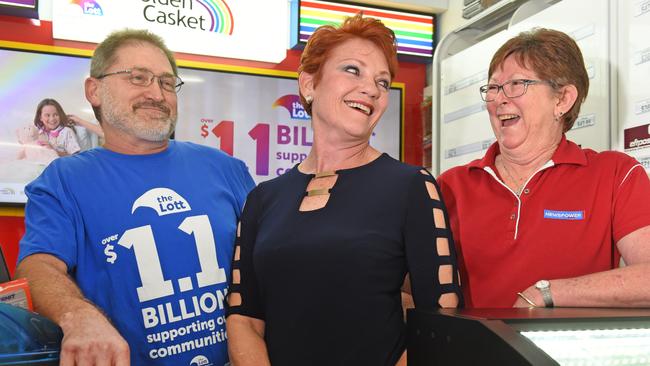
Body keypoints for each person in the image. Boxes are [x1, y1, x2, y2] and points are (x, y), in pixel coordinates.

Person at [226, 13, 462, 366]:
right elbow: (243, 318)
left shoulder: (411, 186)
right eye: (353, 70)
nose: (371, 88)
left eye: (382, 82)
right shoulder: (263, 198)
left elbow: (440, 319)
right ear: (309, 85)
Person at [16, 29, 255, 366]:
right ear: (94, 90)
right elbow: (38, 265)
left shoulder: (226, 169)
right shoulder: (62, 181)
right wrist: (78, 316)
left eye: (167, 83)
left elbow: (269, 261)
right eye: (138, 78)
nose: (156, 94)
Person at [438, 28, 650, 308]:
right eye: (493, 88)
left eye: (517, 84)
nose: (499, 99)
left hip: (564, 352)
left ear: (562, 100)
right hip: (473, 352)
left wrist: (547, 294)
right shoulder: (450, 185)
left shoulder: (616, 175)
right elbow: (409, 284)